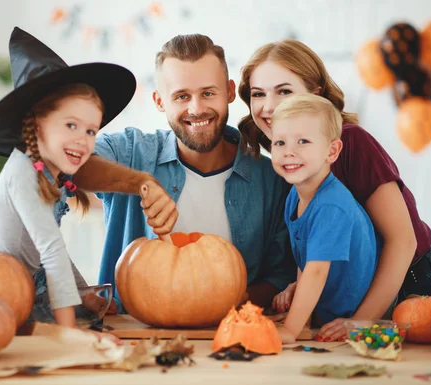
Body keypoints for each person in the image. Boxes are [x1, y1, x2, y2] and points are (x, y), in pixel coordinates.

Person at [237, 39, 431, 341]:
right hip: (361, 296)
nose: (269, 106)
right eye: (258, 94)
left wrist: (361, 321)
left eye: (284, 91)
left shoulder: (352, 144)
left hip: (415, 285)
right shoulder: (289, 162)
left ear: (317, 95)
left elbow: (401, 242)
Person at [71, 33, 295, 313]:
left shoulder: (270, 178)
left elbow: (279, 276)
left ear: (228, 91)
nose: (197, 108)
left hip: (230, 332)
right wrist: (141, 183)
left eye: (208, 93)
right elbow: (69, 162)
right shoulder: (131, 152)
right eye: (181, 96)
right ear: (159, 101)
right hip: (130, 335)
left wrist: (229, 302)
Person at [0, 26, 138, 340]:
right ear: (37, 124)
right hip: (4, 301)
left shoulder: (47, 170)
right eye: (71, 125)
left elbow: (52, 249)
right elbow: (51, 251)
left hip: (32, 287)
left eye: (90, 131)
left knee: (107, 320)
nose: (82, 141)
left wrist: (83, 293)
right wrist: (72, 337)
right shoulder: (22, 173)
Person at [266, 94, 380, 344]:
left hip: (351, 317)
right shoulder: (295, 196)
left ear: (332, 151)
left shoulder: (331, 206)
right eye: (280, 143)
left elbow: (317, 272)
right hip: (325, 316)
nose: (289, 152)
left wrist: (290, 331)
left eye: (303, 141)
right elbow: (305, 260)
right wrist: (301, 318)